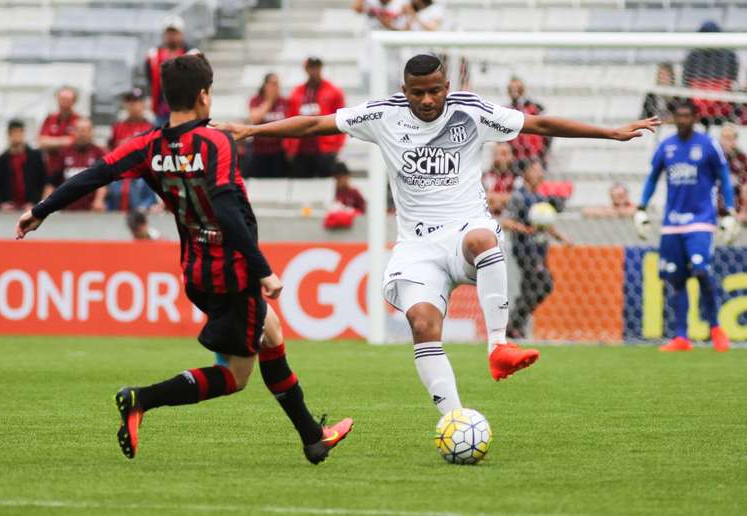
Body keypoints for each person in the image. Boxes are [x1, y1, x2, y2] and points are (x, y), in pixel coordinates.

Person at [214, 54, 659, 415]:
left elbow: (538, 124)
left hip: (466, 228)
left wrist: (609, 133)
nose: (427, 100)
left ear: (446, 87)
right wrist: (252, 129)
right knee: (423, 324)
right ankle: (455, 419)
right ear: (404, 90)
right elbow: (315, 125)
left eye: (434, 91)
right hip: (417, 246)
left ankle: (499, 346)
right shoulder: (382, 115)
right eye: (418, 93)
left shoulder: (472, 111)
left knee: (485, 240)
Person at [15, 53, 352, 463]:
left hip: (196, 270)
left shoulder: (148, 145)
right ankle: (141, 399)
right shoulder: (214, 142)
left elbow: (93, 175)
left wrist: (40, 210)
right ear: (204, 97)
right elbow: (227, 207)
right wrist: (263, 270)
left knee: (271, 332)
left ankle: (313, 437)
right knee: (235, 376)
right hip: (234, 271)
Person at [634, 100, 739, 352]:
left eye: (686, 116)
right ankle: (682, 337)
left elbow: (724, 177)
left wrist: (730, 211)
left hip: (701, 220)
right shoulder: (666, 147)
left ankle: (715, 328)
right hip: (672, 223)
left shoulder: (708, 145)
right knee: (676, 279)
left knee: (701, 271)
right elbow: (652, 178)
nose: (682, 120)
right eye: (677, 116)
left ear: (694, 117)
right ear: (674, 118)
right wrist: (641, 208)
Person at [503, 160, 571, 339]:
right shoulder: (519, 196)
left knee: (530, 287)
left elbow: (545, 225)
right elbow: (506, 221)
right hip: (524, 249)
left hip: (540, 249)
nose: (539, 174)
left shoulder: (541, 198)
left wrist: (562, 238)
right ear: (525, 174)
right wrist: (525, 229)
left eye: (541, 171)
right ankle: (515, 321)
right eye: (535, 170)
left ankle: (515, 326)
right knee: (544, 283)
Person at [287, 57, 346, 178]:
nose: (314, 71)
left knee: (325, 184)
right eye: (311, 67)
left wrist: (336, 146)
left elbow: (342, 118)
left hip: (325, 149)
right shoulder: (297, 92)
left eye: (316, 67)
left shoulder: (333, 91)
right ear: (306, 69)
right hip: (301, 149)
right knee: (302, 186)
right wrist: (290, 147)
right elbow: (290, 118)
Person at [106, 89, 158, 211]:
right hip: (120, 172)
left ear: (144, 104)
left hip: (143, 173)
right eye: (130, 102)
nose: (133, 105)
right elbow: (109, 150)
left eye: (137, 101)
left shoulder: (151, 127)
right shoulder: (117, 127)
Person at [682, 21, 739, 126]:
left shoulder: (729, 55)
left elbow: (732, 79)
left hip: (720, 105)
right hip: (701, 104)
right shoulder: (693, 56)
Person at [48, 117, 106, 211]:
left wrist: (99, 200)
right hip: (66, 209)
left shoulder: (99, 153)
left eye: (85, 130)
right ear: (73, 132)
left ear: (91, 132)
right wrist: (45, 205)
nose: (82, 133)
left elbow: (104, 182)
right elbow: (52, 182)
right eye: (79, 130)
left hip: (91, 210)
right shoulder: (63, 153)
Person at [0, 119, 47, 212]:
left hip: (31, 208)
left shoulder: (36, 157)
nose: (17, 136)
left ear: (23, 134)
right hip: (9, 209)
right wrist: (1, 204)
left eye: (19, 132)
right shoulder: (1, 160)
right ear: (8, 135)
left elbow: (44, 182)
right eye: (14, 133)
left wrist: (36, 203)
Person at [146, 16, 192, 127]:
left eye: (175, 33)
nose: (171, 36)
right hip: (161, 110)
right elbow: (150, 80)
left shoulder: (192, 55)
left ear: (182, 34)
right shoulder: (153, 56)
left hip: (186, 111)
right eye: (169, 33)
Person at [246, 73, 290, 178]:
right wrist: (269, 101)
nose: (275, 87)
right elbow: (255, 118)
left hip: (279, 152)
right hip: (260, 151)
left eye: (277, 84)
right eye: (272, 84)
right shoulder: (256, 100)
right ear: (265, 85)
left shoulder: (284, 102)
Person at [38, 86, 79, 180]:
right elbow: (41, 142)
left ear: (74, 101)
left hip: (71, 169)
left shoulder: (78, 120)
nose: (64, 102)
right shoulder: (49, 119)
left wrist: (51, 142)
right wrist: (64, 140)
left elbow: (75, 142)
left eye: (67, 99)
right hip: (51, 168)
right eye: (62, 99)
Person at [507, 77, 549, 162]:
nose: (515, 91)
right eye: (512, 89)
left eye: (518, 88)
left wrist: (543, 154)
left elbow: (546, 131)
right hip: (515, 157)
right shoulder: (507, 110)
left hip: (534, 156)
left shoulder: (535, 108)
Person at [482, 142, 518, 216]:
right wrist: (504, 198)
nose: (503, 158)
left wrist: (491, 197)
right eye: (501, 154)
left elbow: (516, 199)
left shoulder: (517, 178)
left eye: (506, 154)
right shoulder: (486, 176)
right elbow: (481, 197)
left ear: (512, 157)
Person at [719, 124, 747, 214]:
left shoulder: (742, 157)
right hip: (717, 201)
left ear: (735, 140)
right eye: (723, 137)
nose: (725, 141)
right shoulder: (714, 156)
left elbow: (745, 182)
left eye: (729, 138)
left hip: (737, 203)